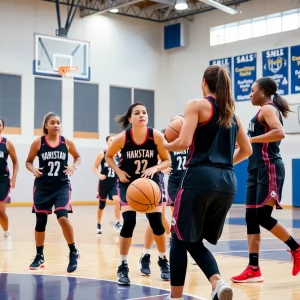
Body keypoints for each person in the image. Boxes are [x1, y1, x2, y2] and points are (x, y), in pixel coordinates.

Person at [163, 65, 252, 300]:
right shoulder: (232, 113)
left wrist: (164, 144)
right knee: (191, 239)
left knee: (179, 236)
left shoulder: (196, 105)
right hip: (227, 181)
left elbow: (182, 143)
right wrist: (224, 165)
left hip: (199, 177)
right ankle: (217, 283)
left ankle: (176, 297)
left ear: (204, 82)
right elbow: (247, 149)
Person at [231, 77, 300, 283]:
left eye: (252, 91)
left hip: (269, 167)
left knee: (263, 216)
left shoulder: (268, 109)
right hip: (255, 169)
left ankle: (297, 249)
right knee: (251, 219)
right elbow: (249, 148)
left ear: (262, 92)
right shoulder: (259, 113)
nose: (250, 94)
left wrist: (250, 139)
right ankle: (253, 268)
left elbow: (279, 133)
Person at [105, 102, 171, 285]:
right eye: (137, 113)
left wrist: (155, 168)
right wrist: (118, 172)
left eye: (144, 112)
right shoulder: (122, 138)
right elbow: (108, 156)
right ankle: (123, 265)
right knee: (129, 223)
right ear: (130, 118)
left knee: (157, 223)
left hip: (151, 183)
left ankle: (163, 260)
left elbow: (166, 160)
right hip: (129, 184)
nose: (141, 115)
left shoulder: (155, 136)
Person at [25, 112, 81, 273]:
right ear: (46, 125)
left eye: (58, 122)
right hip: (42, 187)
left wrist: (74, 166)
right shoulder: (38, 143)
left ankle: (73, 251)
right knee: (40, 222)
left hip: (61, 185)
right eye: (53, 122)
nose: (56, 125)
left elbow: (77, 156)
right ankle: (39, 255)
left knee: (62, 216)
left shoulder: (66, 142)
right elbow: (28, 162)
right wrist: (33, 169)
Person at [93, 135, 122, 234]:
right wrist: (99, 174)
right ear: (107, 142)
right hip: (104, 183)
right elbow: (95, 167)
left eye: (114, 140)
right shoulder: (102, 154)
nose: (113, 141)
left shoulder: (119, 155)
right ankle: (98, 224)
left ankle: (118, 222)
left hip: (114, 182)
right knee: (102, 205)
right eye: (110, 140)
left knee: (117, 200)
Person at [0, 118, 19, 250]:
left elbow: (16, 162)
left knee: (0, 212)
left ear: (2, 127)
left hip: (3, 180)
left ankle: (6, 234)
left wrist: (14, 178)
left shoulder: (7, 143)